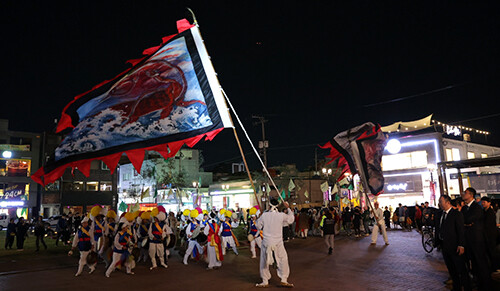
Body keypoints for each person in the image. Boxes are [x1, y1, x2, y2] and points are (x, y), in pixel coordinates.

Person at [255, 197, 295, 288]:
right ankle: (284, 279)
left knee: (264, 261)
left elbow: (258, 226)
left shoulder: (264, 215)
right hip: (278, 242)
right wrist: (288, 208)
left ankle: (265, 281)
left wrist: (259, 218)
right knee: (283, 259)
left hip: (266, 242)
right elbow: (291, 219)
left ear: (269, 205)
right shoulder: (281, 215)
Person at [435, 195, 471, 291]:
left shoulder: (456, 214)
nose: (440, 203)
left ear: (447, 202)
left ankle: (467, 287)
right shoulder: (440, 214)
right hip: (444, 246)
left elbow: (460, 230)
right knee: (452, 270)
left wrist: (461, 245)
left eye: (441, 201)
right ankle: (457, 287)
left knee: (461, 269)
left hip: (455, 247)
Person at [461, 187, 491, 290]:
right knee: (473, 263)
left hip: (477, 240)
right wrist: (467, 223)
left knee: (481, 263)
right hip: (468, 239)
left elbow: (469, 219)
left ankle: (486, 285)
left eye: (465, 193)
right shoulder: (464, 208)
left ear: (471, 195)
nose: (463, 194)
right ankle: (477, 282)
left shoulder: (476, 207)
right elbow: (463, 220)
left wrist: (467, 222)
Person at [481, 196, 499, 273]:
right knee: (488, 252)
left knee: (492, 252)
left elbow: (488, 225)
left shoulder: (490, 212)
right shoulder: (483, 211)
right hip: (485, 235)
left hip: (491, 235)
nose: (483, 203)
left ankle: (495, 267)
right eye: (482, 202)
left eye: (484, 202)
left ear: (489, 203)